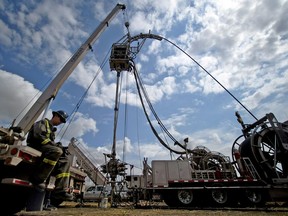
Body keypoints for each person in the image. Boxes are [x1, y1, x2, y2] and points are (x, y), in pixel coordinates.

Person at [27, 110, 72, 201]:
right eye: (61, 119)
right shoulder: (43, 122)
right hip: (36, 146)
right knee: (57, 151)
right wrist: (56, 146)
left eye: (62, 121)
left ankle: (59, 190)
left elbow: (50, 143)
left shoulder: (52, 130)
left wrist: (60, 147)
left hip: (46, 148)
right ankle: (39, 179)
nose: (60, 122)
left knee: (66, 160)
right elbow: (39, 136)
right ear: (55, 115)